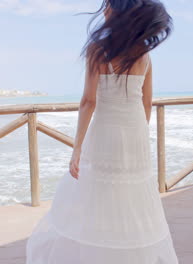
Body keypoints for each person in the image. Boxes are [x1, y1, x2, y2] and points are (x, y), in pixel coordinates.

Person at [25, 0, 177, 263]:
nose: (104, 9)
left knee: (98, 194)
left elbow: (88, 101)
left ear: (117, 11)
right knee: (132, 200)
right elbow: (146, 102)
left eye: (107, 4)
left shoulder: (98, 50)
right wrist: (139, 136)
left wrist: (77, 148)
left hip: (106, 130)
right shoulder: (144, 54)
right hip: (135, 132)